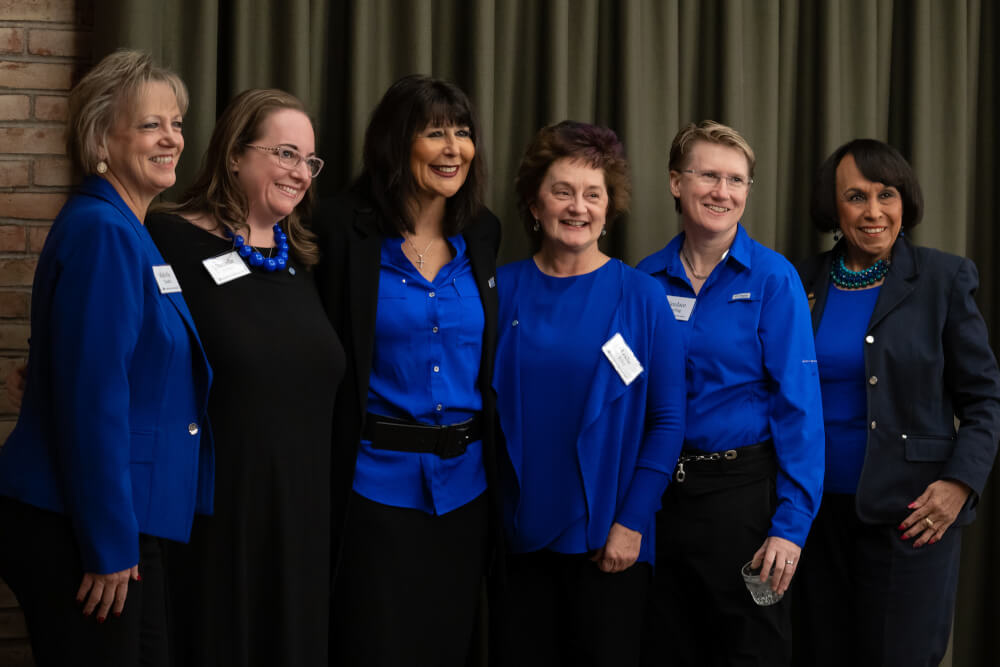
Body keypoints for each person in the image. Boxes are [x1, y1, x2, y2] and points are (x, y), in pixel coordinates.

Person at [0, 50, 212, 667]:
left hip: (120, 518)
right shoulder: (104, 231)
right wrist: (109, 543)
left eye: (175, 122)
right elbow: (93, 400)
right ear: (100, 138)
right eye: (151, 125)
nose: (171, 137)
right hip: (85, 526)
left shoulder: (129, 228)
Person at [145, 89, 344, 667]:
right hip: (219, 520)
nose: (300, 172)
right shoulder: (167, 240)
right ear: (234, 154)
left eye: (309, 160)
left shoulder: (303, 259)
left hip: (303, 520)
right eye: (284, 153)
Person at [312, 74, 500, 666]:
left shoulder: (482, 232)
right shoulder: (340, 228)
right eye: (435, 132)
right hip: (374, 489)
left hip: (467, 491)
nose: (454, 148)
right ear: (397, 142)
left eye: (463, 133)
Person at [792, 139, 1000, 667]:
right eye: (856, 197)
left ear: (905, 200)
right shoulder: (799, 281)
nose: (874, 211)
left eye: (887, 194)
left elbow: (982, 399)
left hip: (912, 518)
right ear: (832, 207)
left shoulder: (943, 278)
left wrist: (959, 485)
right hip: (813, 520)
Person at [493, 120, 686, 666]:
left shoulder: (644, 297)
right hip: (518, 540)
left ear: (609, 206)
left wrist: (632, 524)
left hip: (610, 544)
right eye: (562, 191)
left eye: (592, 194)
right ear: (534, 203)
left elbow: (668, 421)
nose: (578, 207)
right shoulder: (499, 291)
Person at [638, 120, 824, 666]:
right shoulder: (644, 279)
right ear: (676, 182)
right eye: (708, 176)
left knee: (753, 650)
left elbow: (800, 408)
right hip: (663, 501)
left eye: (737, 180)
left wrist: (790, 527)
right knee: (667, 648)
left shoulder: (774, 279)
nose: (723, 192)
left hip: (747, 503)